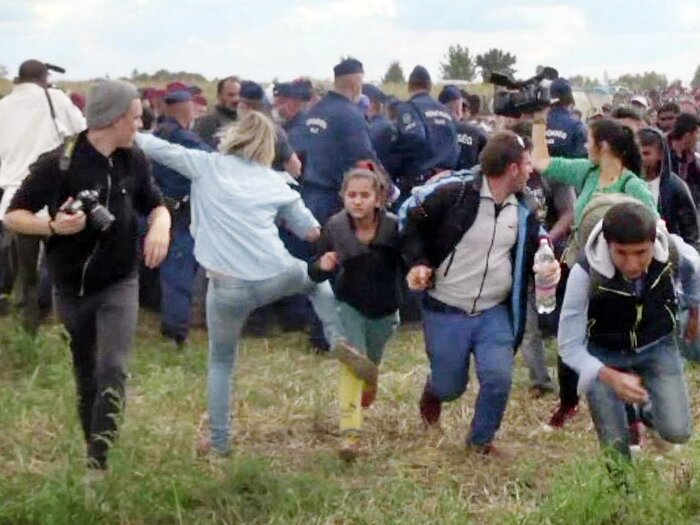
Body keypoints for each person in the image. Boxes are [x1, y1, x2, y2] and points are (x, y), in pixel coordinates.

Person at [133, 111, 376, 457]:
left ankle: (219, 442)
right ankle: (337, 339)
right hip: (277, 274)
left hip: (226, 287)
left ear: (232, 136)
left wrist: (127, 131)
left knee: (221, 361)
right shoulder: (277, 182)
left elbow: (157, 148)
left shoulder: (205, 165)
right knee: (315, 281)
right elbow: (310, 231)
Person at [3, 79, 171, 477]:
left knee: (113, 367)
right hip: (70, 284)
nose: (140, 125)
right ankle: (91, 451)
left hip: (120, 280)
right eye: (135, 118)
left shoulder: (135, 159)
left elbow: (156, 203)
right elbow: (13, 214)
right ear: (113, 120)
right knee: (86, 372)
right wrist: (55, 227)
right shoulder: (59, 162)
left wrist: (160, 226)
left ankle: (100, 461)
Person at [402, 131, 556, 458]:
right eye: (528, 163)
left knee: (499, 377)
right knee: (450, 387)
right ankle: (434, 391)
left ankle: (480, 441)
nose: (532, 170)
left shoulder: (525, 207)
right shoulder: (454, 195)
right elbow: (412, 225)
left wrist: (548, 265)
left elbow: (535, 248)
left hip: (493, 312)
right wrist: (418, 263)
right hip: (446, 308)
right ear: (513, 168)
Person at [532, 109, 658, 429]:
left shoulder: (634, 186)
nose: (585, 145)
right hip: (581, 268)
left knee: (619, 341)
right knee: (569, 333)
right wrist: (537, 123)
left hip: (620, 277)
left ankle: (632, 418)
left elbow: (653, 229)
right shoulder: (586, 172)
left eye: (588, 140)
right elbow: (543, 163)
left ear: (603, 145)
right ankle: (568, 402)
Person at [558, 202, 696, 460]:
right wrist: (608, 376)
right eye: (621, 253)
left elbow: (696, 270)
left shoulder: (674, 250)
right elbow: (568, 346)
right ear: (608, 244)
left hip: (657, 343)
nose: (632, 264)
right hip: (602, 353)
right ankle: (623, 494)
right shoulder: (584, 273)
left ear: (654, 242)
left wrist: (695, 309)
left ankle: (648, 413)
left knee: (678, 432)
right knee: (615, 447)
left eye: (641, 252)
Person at [309, 167, 402, 460]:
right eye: (352, 195)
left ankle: (370, 378)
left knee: (369, 364)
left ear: (378, 199)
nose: (357, 201)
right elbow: (314, 270)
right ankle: (350, 434)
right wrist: (321, 265)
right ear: (343, 198)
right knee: (353, 362)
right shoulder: (335, 228)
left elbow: (413, 259)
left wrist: (418, 272)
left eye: (364, 195)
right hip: (349, 305)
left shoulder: (395, 228)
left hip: (386, 311)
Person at [0, 60, 86, 328]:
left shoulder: (3, 105)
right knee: (59, 261)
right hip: (50, 191)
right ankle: (63, 320)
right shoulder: (54, 98)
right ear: (44, 76)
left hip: (13, 197)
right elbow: (82, 130)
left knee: (26, 270)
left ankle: (31, 323)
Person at [152, 88, 212, 347]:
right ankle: (176, 330)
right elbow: (211, 162)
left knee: (167, 268)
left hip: (159, 210)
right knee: (179, 270)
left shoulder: (159, 133)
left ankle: (169, 320)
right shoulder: (183, 138)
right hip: (178, 213)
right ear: (185, 108)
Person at [390, 66, 459, 199]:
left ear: (409, 86)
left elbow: (414, 137)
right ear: (430, 86)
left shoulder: (409, 108)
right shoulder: (446, 111)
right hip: (448, 181)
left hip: (420, 183)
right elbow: (456, 145)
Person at [638, 127, 698, 248]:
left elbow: (690, 232)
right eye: (637, 153)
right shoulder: (627, 183)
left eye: (646, 153)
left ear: (660, 154)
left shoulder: (675, 186)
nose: (641, 158)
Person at [438, 85, 487, 171]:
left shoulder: (430, 132)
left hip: (437, 182)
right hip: (470, 182)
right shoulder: (476, 133)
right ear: (458, 110)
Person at [193, 76, 241, 147]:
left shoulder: (246, 121)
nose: (236, 99)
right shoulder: (208, 122)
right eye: (231, 95)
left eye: (239, 94)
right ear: (219, 97)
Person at [545, 78, 587, 158]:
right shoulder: (577, 126)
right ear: (570, 99)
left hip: (539, 168)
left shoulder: (537, 125)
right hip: (570, 169)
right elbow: (582, 159)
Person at [668, 113, 700, 207]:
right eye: (697, 133)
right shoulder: (664, 153)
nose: (698, 138)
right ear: (687, 135)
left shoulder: (690, 158)